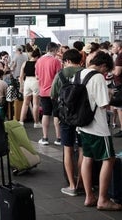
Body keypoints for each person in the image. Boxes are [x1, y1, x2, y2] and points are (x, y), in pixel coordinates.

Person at [78, 51, 122, 211]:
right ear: (103, 65)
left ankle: (89, 196)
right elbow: (103, 104)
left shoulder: (80, 73)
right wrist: (110, 94)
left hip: (82, 124)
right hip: (98, 126)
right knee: (109, 159)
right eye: (106, 70)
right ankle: (103, 199)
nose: (105, 73)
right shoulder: (97, 77)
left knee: (88, 157)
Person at [50, 49, 84, 196]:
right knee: (83, 150)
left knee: (68, 150)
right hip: (83, 117)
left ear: (67, 61)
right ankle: (82, 182)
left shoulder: (61, 75)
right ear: (80, 60)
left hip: (66, 117)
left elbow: (53, 94)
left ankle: (71, 186)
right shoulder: (86, 73)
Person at [35, 42, 62, 145]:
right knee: (56, 115)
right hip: (55, 92)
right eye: (57, 51)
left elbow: (37, 76)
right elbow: (59, 77)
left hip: (43, 91)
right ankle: (58, 138)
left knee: (46, 114)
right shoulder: (56, 61)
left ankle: (45, 138)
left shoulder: (39, 61)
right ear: (54, 50)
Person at [19, 49, 42, 128]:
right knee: (36, 104)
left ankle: (21, 121)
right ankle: (36, 122)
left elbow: (21, 76)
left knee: (25, 103)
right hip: (35, 81)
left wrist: (21, 86)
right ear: (37, 57)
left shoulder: (25, 63)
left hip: (27, 82)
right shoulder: (38, 63)